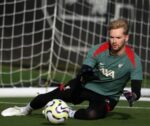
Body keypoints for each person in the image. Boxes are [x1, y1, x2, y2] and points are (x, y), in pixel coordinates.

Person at [1, 18, 143, 120]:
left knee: (92, 114)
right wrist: (85, 73)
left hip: (108, 96)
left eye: (118, 37)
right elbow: (86, 67)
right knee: (47, 97)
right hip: (86, 86)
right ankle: (24, 110)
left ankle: (67, 112)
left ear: (126, 38)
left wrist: (133, 95)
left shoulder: (134, 60)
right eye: (111, 37)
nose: (114, 41)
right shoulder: (98, 49)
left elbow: (136, 90)